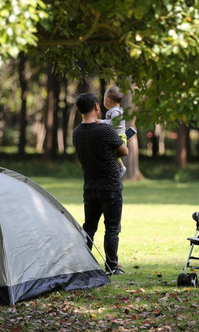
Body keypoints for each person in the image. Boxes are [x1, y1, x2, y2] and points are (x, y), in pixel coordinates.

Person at [73, 92, 129, 275]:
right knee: (112, 228)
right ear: (97, 107)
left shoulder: (77, 133)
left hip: (90, 186)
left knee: (89, 226)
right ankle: (112, 267)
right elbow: (124, 151)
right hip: (111, 185)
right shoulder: (106, 130)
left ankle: (83, 265)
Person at [96, 86, 127, 178]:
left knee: (109, 153)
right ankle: (119, 168)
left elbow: (114, 123)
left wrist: (101, 121)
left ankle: (121, 168)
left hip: (118, 136)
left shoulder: (114, 111)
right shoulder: (119, 110)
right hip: (119, 136)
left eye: (104, 99)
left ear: (108, 100)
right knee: (112, 154)